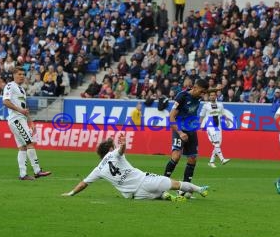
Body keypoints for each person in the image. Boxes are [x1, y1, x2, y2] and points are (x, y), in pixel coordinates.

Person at [61, 134, 208, 201]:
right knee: (176, 184)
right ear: (110, 148)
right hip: (144, 181)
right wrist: (124, 143)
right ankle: (198, 189)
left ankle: (165, 196)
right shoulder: (114, 154)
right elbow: (121, 150)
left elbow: (84, 183)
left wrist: (71, 193)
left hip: (135, 196)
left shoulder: (98, 169)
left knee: (159, 194)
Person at [163, 78, 215, 196]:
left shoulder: (199, 94)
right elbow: (171, 117)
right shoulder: (182, 96)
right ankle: (162, 183)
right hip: (179, 129)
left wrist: (217, 89)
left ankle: (185, 188)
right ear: (195, 88)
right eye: (201, 92)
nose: (203, 95)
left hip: (191, 130)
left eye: (204, 93)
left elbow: (207, 90)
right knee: (176, 156)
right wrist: (180, 133)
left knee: (193, 158)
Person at [2, 67, 51, 180]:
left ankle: (23, 174)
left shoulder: (22, 90)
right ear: (14, 75)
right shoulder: (10, 86)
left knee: (23, 147)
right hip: (16, 119)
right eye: (19, 74)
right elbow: (5, 101)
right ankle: (37, 171)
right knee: (30, 143)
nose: (22, 76)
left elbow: (24, 108)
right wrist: (20, 111)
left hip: (21, 119)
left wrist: (31, 122)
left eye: (23, 74)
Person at [199, 93, 230, 168]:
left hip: (218, 126)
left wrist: (227, 121)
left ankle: (211, 161)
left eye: (214, 95)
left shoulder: (220, 104)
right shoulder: (206, 105)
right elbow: (202, 116)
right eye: (211, 95)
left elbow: (223, 113)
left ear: (216, 96)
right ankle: (222, 159)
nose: (212, 96)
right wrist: (199, 125)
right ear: (209, 96)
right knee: (216, 142)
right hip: (210, 126)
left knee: (218, 144)